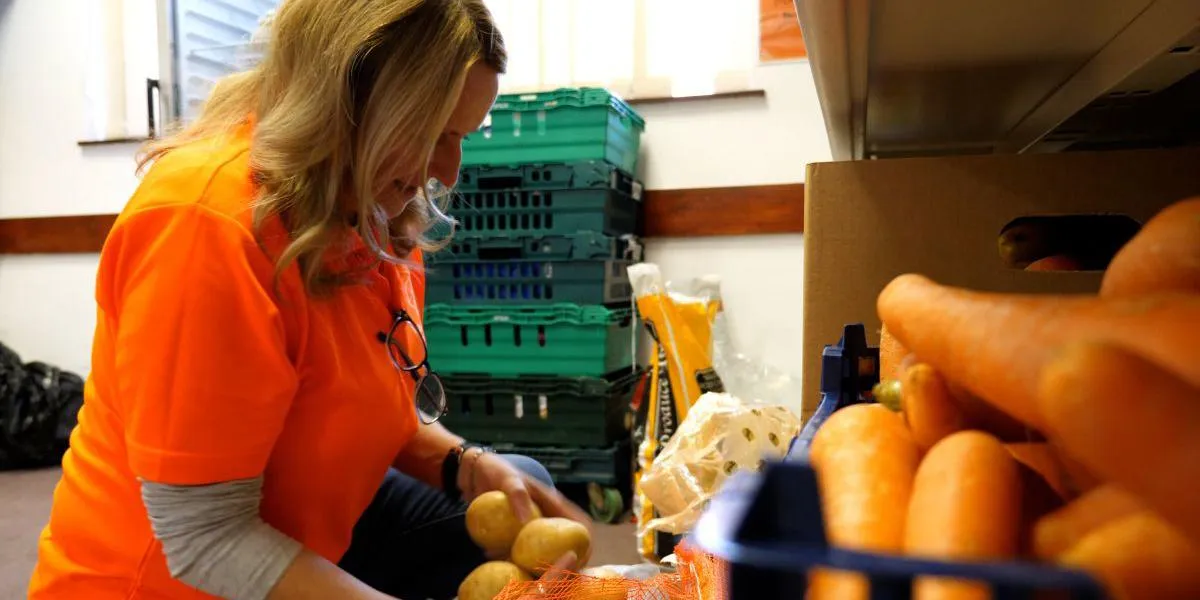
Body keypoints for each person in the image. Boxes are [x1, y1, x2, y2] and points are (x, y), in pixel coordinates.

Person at [28, 1, 590, 598]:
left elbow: (356, 405)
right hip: (169, 575)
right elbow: (203, 537)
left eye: (460, 137)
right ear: (343, 105)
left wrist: (465, 461)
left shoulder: (375, 217)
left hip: (305, 522)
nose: (448, 172)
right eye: (432, 134)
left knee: (517, 483)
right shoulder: (206, 224)